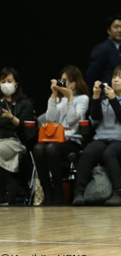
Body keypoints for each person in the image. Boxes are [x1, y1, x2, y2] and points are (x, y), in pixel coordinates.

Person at [72, 65, 121, 206]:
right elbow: (95, 117)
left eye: (120, 77)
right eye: (114, 77)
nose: (116, 80)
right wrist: (96, 98)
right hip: (101, 137)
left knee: (109, 153)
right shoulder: (104, 99)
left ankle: (118, 192)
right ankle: (79, 192)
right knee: (88, 152)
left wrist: (113, 99)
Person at [32, 66, 90, 205]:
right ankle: (47, 191)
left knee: (51, 149)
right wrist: (53, 95)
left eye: (71, 81)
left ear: (77, 82)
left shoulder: (83, 98)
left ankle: (59, 191)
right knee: (38, 149)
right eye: (64, 80)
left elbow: (72, 120)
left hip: (71, 139)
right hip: (53, 137)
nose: (67, 84)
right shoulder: (57, 98)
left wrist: (70, 98)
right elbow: (50, 119)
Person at [0, 67, 35, 205]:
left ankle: (2, 194)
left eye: (9, 81)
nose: (6, 84)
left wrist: (11, 118)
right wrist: (11, 122)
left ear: (16, 84)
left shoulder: (25, 103)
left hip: (16, 141)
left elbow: (26, 126)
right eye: (3, 81)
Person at [86, 14, 121, 88]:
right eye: (116, 27)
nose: (119, 30)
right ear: (108, 30)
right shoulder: (102, 49)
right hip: (106, 93)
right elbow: (92, 76)